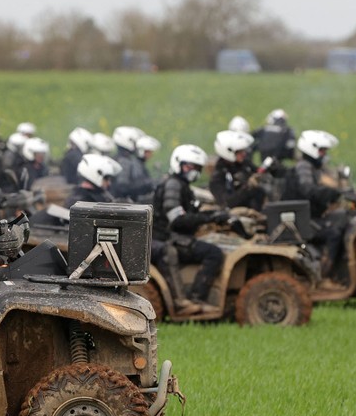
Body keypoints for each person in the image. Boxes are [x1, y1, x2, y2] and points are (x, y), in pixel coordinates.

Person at [152, 144, 228, 314]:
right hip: (169, 237)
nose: (193, 171)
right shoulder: (174, 185)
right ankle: (194, 299)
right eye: (189, 166)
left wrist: (212, 214)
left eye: (197, 168)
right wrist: (209, 217)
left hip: (173, 235)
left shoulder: (181, 184)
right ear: (178, 163)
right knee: (213, 253)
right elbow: (177, 219)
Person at [283, 130, 347, 285]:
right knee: (334, 233)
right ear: (311, 149)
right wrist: (331, 192)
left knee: (343, 218)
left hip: (307, 214)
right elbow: (309, 191)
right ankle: (326, 272)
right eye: (322, 150)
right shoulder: (304, 167)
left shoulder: (312, 167)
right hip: (301, 219)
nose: (324, 154)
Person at [209, 129, 266, 211]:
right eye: (239, 152)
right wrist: (248, 187)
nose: (244, 154)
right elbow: (227, 202)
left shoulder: (244, 164)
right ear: (228, 151)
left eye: (243, 151)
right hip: (240, 215)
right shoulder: (218, 177)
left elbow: (258, 172)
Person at [110, 126, 156, 202]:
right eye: (135, 142)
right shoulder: (124, 161)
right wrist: (147, 184)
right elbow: (123, 188)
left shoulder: (125, 159)